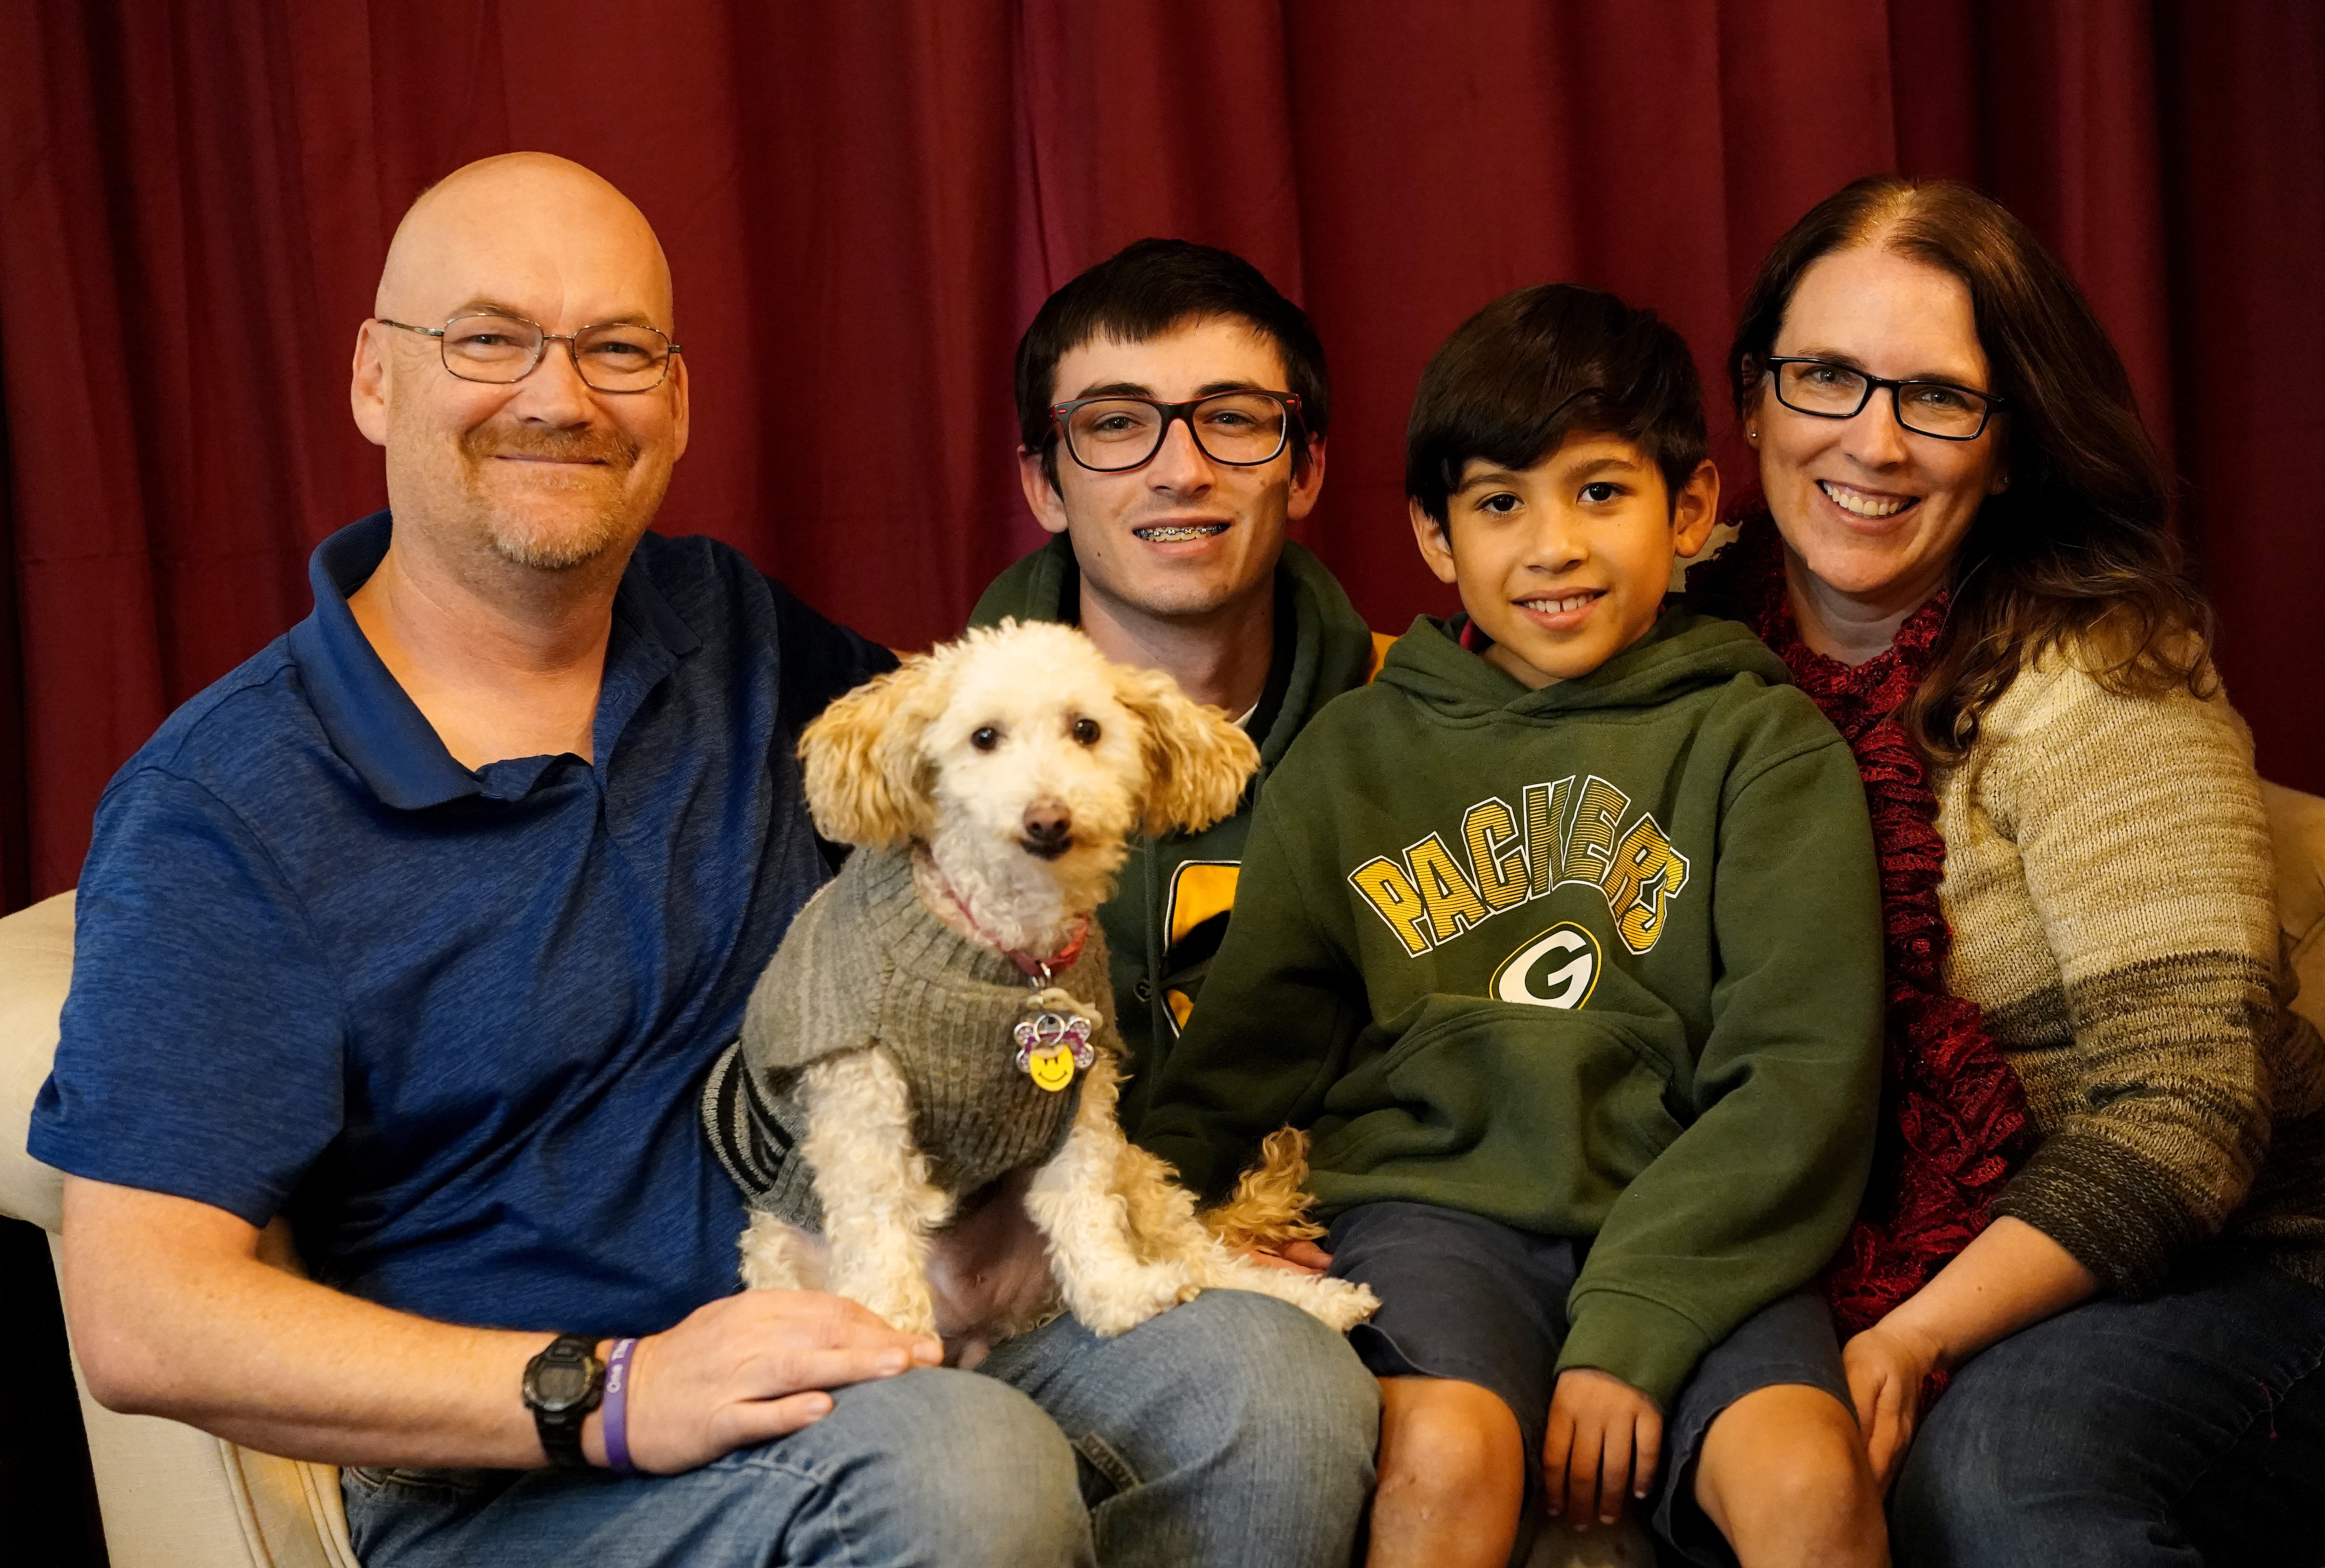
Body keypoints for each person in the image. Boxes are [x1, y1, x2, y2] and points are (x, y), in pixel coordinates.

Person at [30, 153, 1377, 1568]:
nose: (559, 397)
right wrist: (612, 1392)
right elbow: (143, 1315)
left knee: (1272, 1388)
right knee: (954, 1466)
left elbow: (1005, 739)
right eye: (489, 338)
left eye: (617, 349)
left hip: (863, 1327)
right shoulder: (224, 802)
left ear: (673, 402)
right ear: (376, 376)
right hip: (532, 1469)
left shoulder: (732, 632)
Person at [1141, 283, 1893, 1568]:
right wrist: (1143, 1218)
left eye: (1600, 493)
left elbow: (1801, 1079)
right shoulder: (1356, 755)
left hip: (1692, 1223)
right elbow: (1252, 1048)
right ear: (1435, 537)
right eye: (1499, 504)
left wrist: (1637, 1320)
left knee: (1808, 1484)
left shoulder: (1761, 744)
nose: (1553, 547)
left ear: (1691, 509)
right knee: (1447, 1458)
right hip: (1434, 1214)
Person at [1693, 174, 2325, 1567]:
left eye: (1937, 396)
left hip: (2240, 1263)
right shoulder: (1669, 652)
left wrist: (1913, 1336)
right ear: (1753, 398)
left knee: (1996, 1472)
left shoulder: (2100, 681)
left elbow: (2190, 1106)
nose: (1873, 440)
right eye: (1826, 377)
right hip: (1828, 1257)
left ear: (2007, 447)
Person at [970, 239, 1378, 1112]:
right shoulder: (936, 769)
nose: (1182, 472)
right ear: (1045, 486)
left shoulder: (1414, 725)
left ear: (1306, 468)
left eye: (1232, 418)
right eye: (1116, 424)